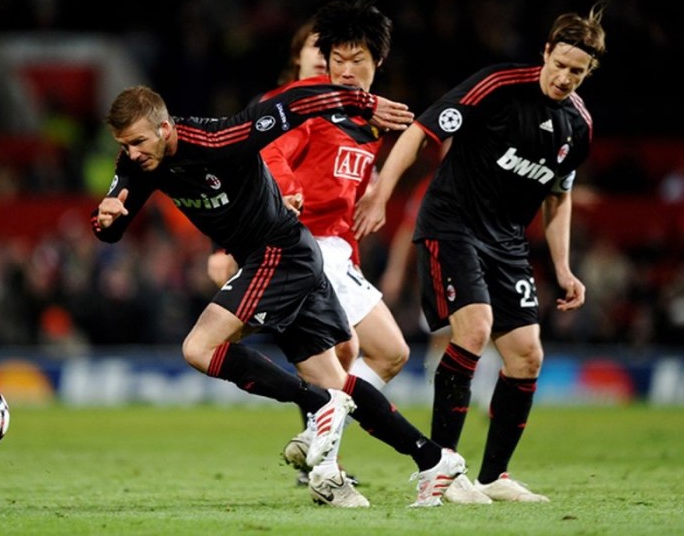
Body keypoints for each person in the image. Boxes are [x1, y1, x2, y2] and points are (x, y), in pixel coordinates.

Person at [92, 83, 466, 508]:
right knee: (336, 381)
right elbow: (113, 222)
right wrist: (106, 221)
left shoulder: (220, 138)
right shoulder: (138, 161)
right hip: (284, 258)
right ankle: (434, 461)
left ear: (164, 127)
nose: (132, 153)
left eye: (139, 141)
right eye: (125, 145)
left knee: (200, 347)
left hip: (281, 254)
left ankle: (318, 405)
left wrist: (365, 102)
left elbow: (295, 104)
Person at [353, 5, 607, 504]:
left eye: (577, 72)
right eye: (559, 65)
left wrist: (562, 266)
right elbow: (422, 132)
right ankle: (441, 472)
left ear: (588, 73)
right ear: (546, 53)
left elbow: (558, 196)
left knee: (527, 356)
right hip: (453, 224)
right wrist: (382, 193)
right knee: (473, 330)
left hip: (507, 241)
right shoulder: (497, 85)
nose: (564, 78)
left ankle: (494, 476)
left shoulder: (578, 126)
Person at [252, 0, 412, 505]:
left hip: (338, 250)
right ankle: (326, 451)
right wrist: (287, 188)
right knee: (386, 352)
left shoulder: (372, 121)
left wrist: (376, 197)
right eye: (336, 59)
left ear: (377, 62)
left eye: (356, 60)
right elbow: (267, 150)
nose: (344, 70)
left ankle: (321, 444)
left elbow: (349, 185)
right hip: (307, 247)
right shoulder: (310, 107)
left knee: (355, 356)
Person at [207, 18, 327, 286]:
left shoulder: (348, 118)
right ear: (297, 55)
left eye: (330, 49)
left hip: (328, 246)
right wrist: (220, 247)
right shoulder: (269, 105)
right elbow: (232, 168)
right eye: (314, 46)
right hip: (272, 240)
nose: (322, 56)